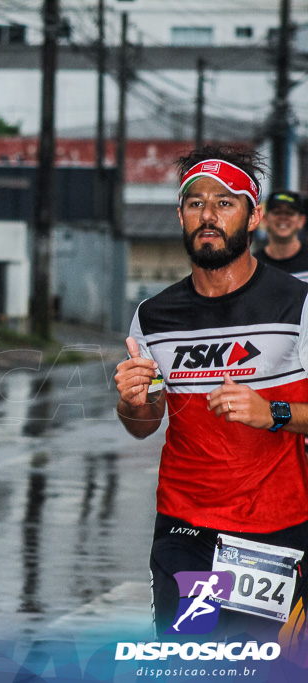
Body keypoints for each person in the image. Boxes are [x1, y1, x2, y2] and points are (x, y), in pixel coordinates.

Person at [113, 147, 308, 643]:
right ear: (181, 216)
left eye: (225, 203)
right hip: (186, 524)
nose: (209, 215)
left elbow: (280, 414)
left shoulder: (298, 304)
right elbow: (144, 423)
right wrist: (133, 400)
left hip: (276, 529)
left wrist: (272, 412)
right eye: (196, 203)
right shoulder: (154, 316)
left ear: (254, 215)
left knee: (267, 669)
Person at [255, 190, 308, 281]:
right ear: (265, 219)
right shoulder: (253, 265)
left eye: (289, 213)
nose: (283, 218)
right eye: (277, 212)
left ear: (301, 221)